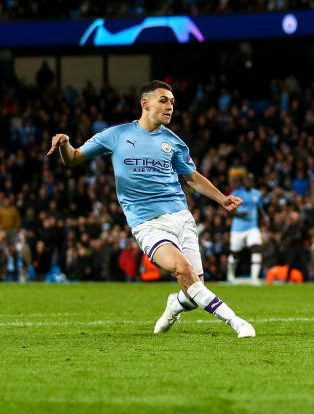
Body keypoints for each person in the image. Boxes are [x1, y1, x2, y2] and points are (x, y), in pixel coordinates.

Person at [47, 80, 255, 338]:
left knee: (193, 289)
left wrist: (222, 199)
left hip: (181, 217)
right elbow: (74, 159)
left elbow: (191, 177)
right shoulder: (116, 135)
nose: (170, 107)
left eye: (172, 102)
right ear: (145, 103)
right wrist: (65, 144)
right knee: (183, 269)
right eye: (164, 100)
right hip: (147, 223)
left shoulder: (173, 142)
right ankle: (236, 322)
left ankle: (174, 305)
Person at [226, 173, 265, 285]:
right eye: (247, 180)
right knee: (235, 253)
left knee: (256, 247)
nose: (249, 182)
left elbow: (260, 209)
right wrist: (239, 215)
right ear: (244, 182)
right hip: (238, 228)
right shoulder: (236, 193)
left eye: (251, 180)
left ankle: (254, 278)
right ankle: (230, 275)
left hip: (252, 227)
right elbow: (228, 211)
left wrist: (265, 219)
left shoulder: (257, 194)